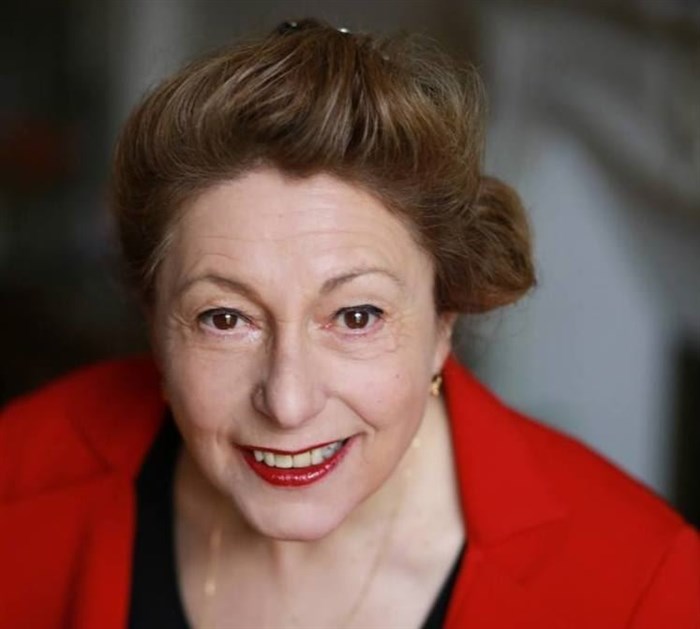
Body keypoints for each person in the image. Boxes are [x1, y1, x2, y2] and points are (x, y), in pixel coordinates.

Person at [1, 18, 698, 629]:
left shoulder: (643, 586)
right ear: (155, 320)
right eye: (225, 317)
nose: (288, 402)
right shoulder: (17, 482)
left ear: (444, 320)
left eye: (356, 315)